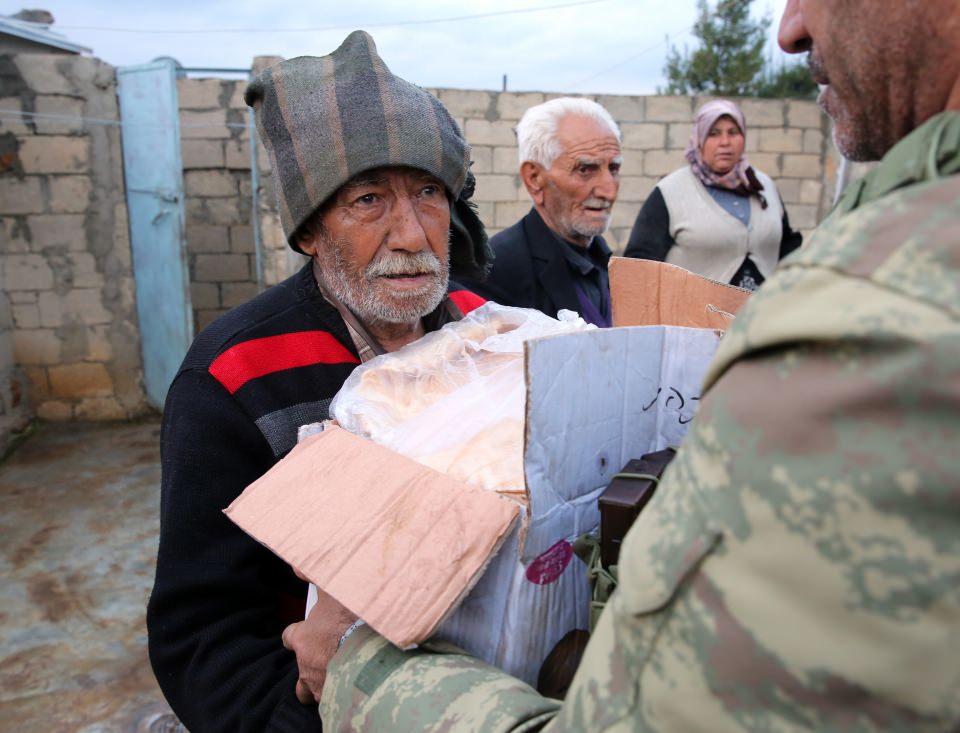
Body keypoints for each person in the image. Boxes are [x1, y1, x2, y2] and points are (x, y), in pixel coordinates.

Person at [316, 0, 960, 730]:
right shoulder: (496, 294)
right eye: (369, 201)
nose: (790, 28)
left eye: (430, 195)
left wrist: (358, 664)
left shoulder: (861, 304)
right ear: (532, 179)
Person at [145, 31, 490, 733]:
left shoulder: (488, 335)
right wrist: (302, 710)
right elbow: (201, 633)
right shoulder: (234, 374)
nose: (413, 234)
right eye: (368, 200)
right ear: (309, 230)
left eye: (427, 193)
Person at [461, 97, 622, 326]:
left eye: (614, 168)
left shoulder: (609, 265)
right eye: (585, 169)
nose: (609, 191)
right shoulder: (497, 274)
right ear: (534, 178)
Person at [624, 99, 802, 290]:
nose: (725, 142)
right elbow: (638, 265)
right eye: (714, 134)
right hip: (691, 316)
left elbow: (787, 247)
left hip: (761, 316)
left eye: (733, 132)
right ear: (699, 140)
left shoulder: (764, 186)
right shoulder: (670, 192)